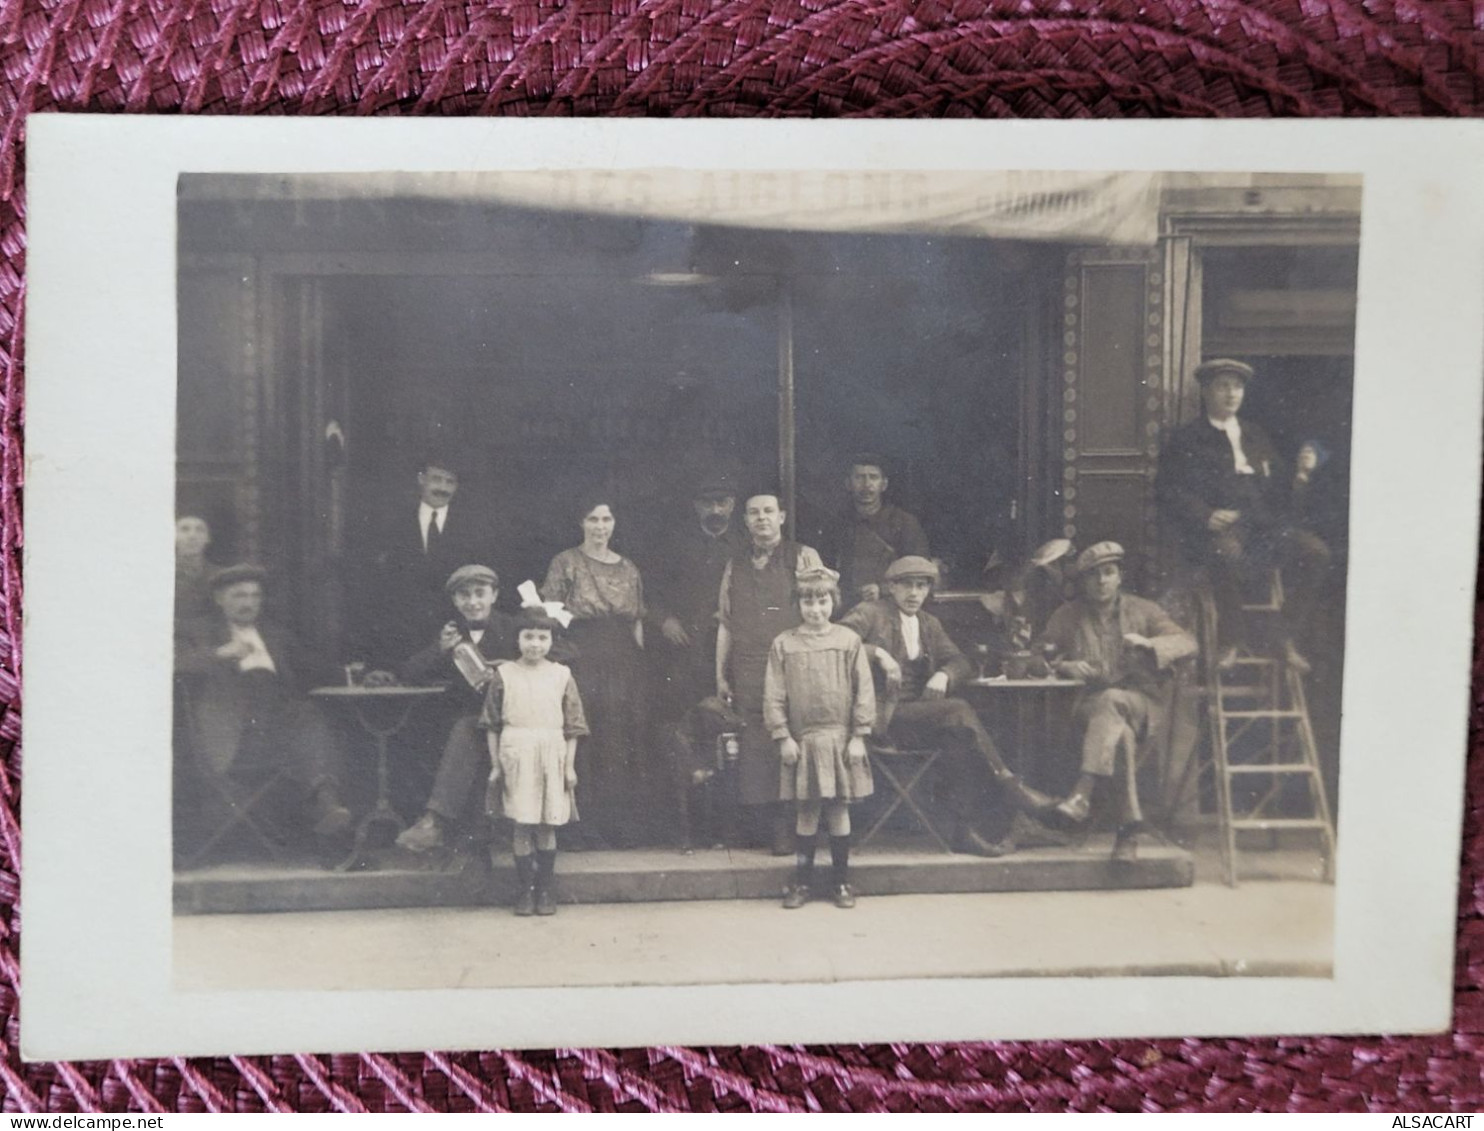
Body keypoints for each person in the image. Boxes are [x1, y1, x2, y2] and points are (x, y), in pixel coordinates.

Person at [839, 555, 1054, 857]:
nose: (914, 594)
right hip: (879, 718)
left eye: (922, 586)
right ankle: (1010, 786)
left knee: (960, 740)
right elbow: (836, 641)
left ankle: (964, 831)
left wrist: (945, 673)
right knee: (957, 711)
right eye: (907, 586)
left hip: (915, 718)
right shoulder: (870, 613)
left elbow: (960, 661)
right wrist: (877, 654)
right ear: (891, 587)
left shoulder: (929, 624)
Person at [1155, 359, 1331, 671]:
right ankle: (1231, 640)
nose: (1231, 393)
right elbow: (1169, 490)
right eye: (1223, 386)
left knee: (1316, 552)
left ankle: (1282, 636)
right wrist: (1205, 514)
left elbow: (1279, 490)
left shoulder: (1255, 435)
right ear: (1206, 392)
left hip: (1264, 529)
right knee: (1225, 553)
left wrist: (1300, 476)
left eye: (1237, 386)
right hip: (1220, 532)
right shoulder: (1189, 438)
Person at [1036, 542, 1198, 859]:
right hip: (1088, 709)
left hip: (1142, 706)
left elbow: (1187, 642)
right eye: (1093, 576)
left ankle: (1083, 792)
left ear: (1120, 576)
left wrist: (1151, 644)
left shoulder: (1144, 610)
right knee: (1117, 729)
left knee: (1114, 704)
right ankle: (1129, 829)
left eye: (1108, 573)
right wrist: (1065, 665)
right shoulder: (1068, 616)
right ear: (1082, 583)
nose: (1101, 582)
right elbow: (1038, 654)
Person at [174, 564, 351, 847]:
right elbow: (172, 663)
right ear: (219, 599)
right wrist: (220, 653)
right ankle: (323, 806)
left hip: (278, 731)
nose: (248, 603)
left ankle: (327, 804)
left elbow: (315, 668)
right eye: (239, 596)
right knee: (304, 719)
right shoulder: (199, 632)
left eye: (255, 596)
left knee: (309, 716)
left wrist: (358, 675)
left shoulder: (274, 635)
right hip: (233, 735)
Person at [716, 491, 827, 853]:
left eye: (768, 511)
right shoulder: (735, 564)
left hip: (795, 661)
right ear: (745, 520)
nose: (761, 518)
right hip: (748, 665)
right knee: (757, 742)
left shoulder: (803, 556)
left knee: (792, 735)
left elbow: (821, 611)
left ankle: (792, 824)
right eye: (753, 513)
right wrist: (720, 673)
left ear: (781, 517)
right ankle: (761, 825)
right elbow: (726, 623)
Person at [763, 567, 876, 909]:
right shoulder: (784, 644)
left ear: (834, 602)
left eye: (822, 601)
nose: (815, 609)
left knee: (839, 811)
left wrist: (859, 736)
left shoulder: (848, 641)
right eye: (808, 602)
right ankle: (803, 882)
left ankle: (841, 882)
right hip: (803, 742)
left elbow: (864, 691)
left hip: (840, 739)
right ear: (798, 604)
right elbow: (774, 694)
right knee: (808, 813)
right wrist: (783, 736)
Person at [541, 499, 648, 848]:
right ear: (581, 522)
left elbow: (636, 621)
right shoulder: (566, 562)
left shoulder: (628, 567)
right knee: (585, 735)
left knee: (619, 736)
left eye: (606, 519)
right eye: (593, 519)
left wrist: (638, 661)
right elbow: (548, 612)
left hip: (622, 658)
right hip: (582, 654)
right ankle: (581, 827)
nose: (600, 526)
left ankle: (618, 824)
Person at [394, 564, 518, 853]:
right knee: (447, 732)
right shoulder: (452, 632)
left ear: (494, 595)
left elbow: (560, 653)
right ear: (455, 601)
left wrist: (513, 667)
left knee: (466, 729)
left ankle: (434, 822)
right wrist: (439, 649)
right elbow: (410, 673)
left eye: (480, 593)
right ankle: (444, 830)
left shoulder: (514, 626)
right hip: (469, 719)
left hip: (510, 719)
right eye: (464, 595)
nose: (473, 602)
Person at [481, 606, 589, 916]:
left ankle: (544, 890)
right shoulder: (504, 675)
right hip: (516, 751)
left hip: (551, 751)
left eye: (542, 637)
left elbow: (574, 727)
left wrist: (568, 766)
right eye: (528, 636)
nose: (535, 644)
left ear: (551, 640)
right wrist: (496, 764)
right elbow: (491, 725)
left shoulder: (561, 676)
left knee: (546, 824)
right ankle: (525, 890)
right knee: (522, 822)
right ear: (517, 638)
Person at [365, 453, 496, 668]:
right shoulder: (394, 524)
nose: (443, 488)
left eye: (450, 482)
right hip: (405, 634)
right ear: (421, 479)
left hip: (455, 632)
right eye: (436, 479)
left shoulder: (473, 527)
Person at [646, 476, 748, 718]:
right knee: (683, 716)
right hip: (684, 647)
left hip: (731, 645)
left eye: (721, 502)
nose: (715, 510)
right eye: (707, 503)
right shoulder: (674, 545)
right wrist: (664, 620)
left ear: (732, 505)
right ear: (695, 506)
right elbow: (649, 589)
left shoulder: (745, 545)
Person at [821, 455, 930, 610]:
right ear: (848, 484)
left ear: (884, 484)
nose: (867, 485)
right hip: (848, 609)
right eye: (859, 477)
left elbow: (920, 570)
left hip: (893, 607)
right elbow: (825, 569)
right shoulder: (836, 525)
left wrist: (883, 589)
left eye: (873, 477)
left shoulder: (904, 523)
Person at [174, 514, 219, 624]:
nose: (192, 536)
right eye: (184, 529)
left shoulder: (220, 575)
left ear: (207, 538)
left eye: (200, 530)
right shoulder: (161, 574)